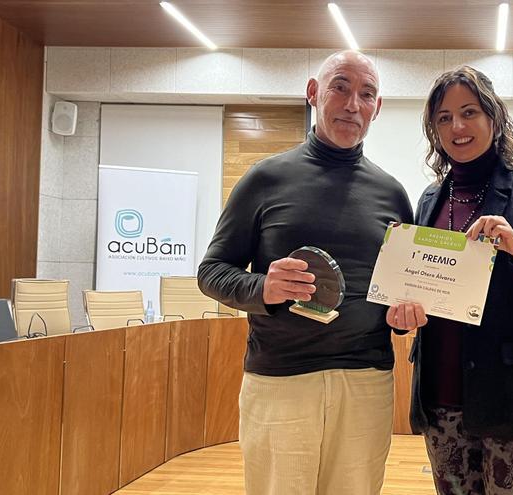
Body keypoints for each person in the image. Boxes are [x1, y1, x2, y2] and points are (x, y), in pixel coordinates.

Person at [197, 50, 413, 495]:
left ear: (378, 108)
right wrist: (264, 287)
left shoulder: (393, 194)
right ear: (314, 93)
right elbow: (212, 271)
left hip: (366, 381)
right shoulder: (264, 179)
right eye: (341, 87)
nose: (353, 103)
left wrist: (404, 310)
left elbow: (401, 288)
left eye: (367, 94)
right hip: (279, 380)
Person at [388, 66, 513, 495]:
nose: (457, 126)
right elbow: (416, 287)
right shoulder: (428, 199)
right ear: (434, 130)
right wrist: (402, 316)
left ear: (494, 119)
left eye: (469, 111)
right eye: (443, 117)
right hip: (440, 395)